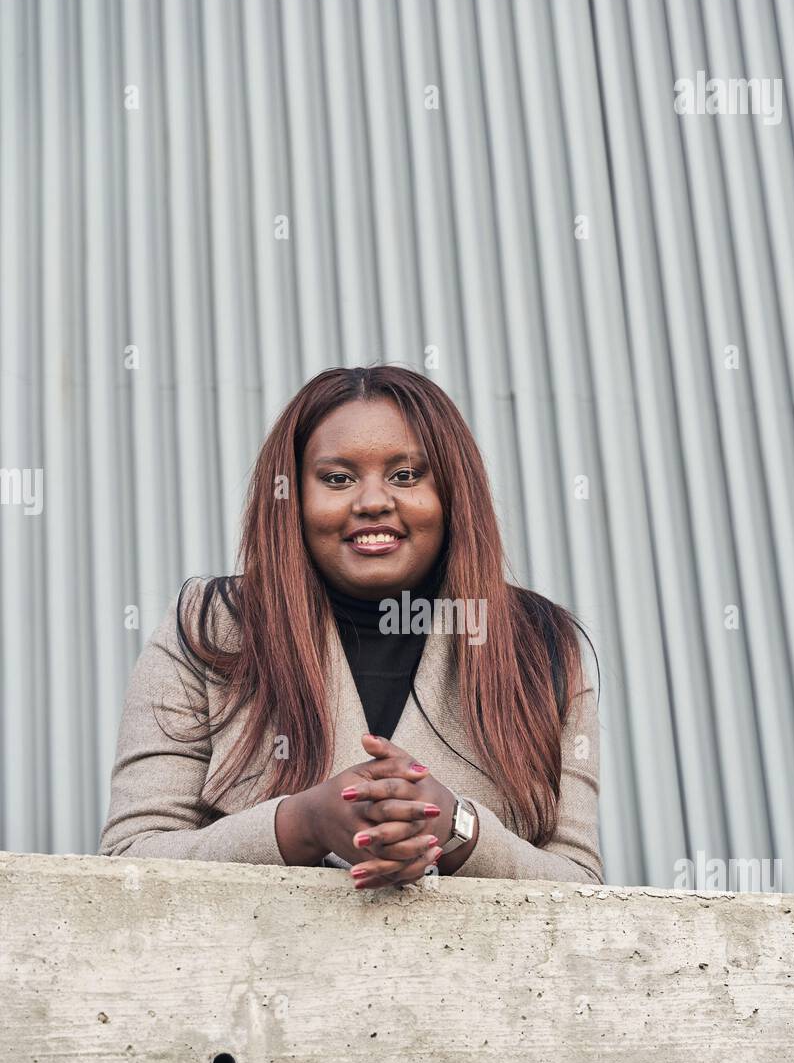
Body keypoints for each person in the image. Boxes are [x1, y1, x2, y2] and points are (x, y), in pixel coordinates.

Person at [98, 365, 603, 890]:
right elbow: (129, 860)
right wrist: (299, 825)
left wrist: (458, 830)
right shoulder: (209, 628)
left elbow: (579, 884)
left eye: (405, 475)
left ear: (454, 492)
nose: (372, 502)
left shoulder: (538, 645)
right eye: (337, 479)